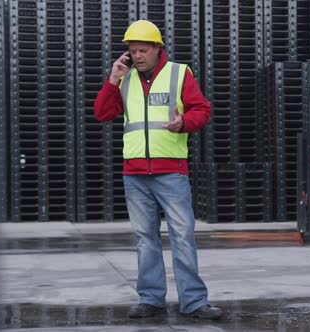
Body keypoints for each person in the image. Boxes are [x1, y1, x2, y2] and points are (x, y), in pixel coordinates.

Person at [93, 20, 222, 320]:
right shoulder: (124, 80)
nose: (136, 56)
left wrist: (183, 123)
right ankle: (151, 299)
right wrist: (112, 79)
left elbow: (202, 110)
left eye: (142, 50)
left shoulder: (179, 74)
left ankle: (193, 301)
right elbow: (102, 113)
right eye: (132, 51)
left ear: (156, 49)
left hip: (171, 172)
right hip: (135, 175)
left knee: (182, 235)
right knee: (145, 238)